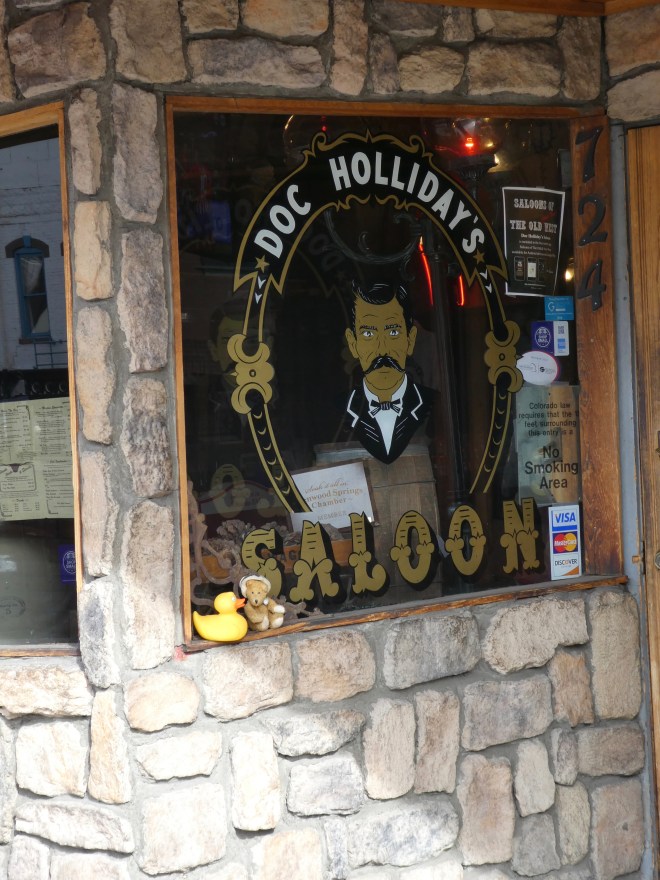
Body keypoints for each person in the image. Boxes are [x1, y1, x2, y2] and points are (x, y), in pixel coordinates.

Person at [343, 279, 432, 464]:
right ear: (353, 344)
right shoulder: (341, 410)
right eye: (368, 334)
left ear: (410, 340)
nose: (382, 349)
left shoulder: (434, 405)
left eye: (393, 333)